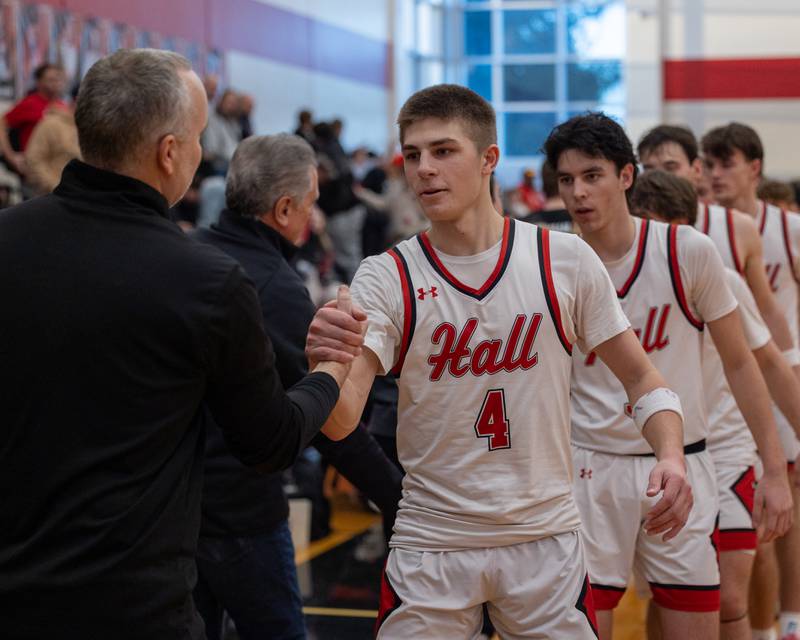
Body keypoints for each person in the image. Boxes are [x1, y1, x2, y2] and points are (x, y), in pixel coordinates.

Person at [0, 49, 365, 639]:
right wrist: (327, 373)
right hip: (136, 606)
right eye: (197, 138)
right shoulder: (204, 280)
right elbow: (268, 444)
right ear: (170, 153)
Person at [307, 84, 695, 638]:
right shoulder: (385, 274)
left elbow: (642, 377)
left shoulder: (563, 260)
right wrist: (328, 360)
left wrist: (672, 456)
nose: (424, 170)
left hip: (544, 539)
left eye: (443, 151)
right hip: (431, 540)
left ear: (489, 159)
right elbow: (343, 420)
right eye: (412, 155)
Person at [544, 113, 792, 640]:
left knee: (711, 613)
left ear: (626, 177)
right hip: (590, 469)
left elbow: (745, 362)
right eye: (567, 181)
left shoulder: (687, 251)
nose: (578, 193)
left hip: (685, 462)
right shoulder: (553, 262)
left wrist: (774, 469)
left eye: (593, 176)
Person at [190, 134, 403, 640]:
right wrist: (399, 500)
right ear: (285, 209)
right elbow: (330, 422)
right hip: (240, 512)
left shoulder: (189, 255)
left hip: (176, 510)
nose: (316, 217)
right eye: (311, 204)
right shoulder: (274, 287)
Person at [631, 170, 800, 639]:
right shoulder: (606, 276)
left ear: (682, 224)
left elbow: (768, 363)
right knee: (665, 600)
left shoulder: (717, 276)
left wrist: (784, 453)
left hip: (720, 451)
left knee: (726, 598)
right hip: (639, 457)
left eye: (651, 221)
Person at [701, 122, 800, 640]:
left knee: (782, 508)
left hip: (778, 372)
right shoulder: (696, 231)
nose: (716, 174)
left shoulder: (784, 229)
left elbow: (773, 317)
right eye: (709, 164)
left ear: (753, 168)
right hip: (722, 392)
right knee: (750, 533)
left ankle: (789, 617)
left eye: (726, 164)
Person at [637, 124, 796, 361]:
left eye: (671, 167)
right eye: (649, 168)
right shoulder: (635, 230)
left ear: (696, 169)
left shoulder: (737, 227)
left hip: (735, 376)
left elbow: (768, 309)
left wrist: (792, 369)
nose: (659, 176)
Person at [0, 62, 66, 174]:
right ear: (39, 82)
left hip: (56, 169)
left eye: (58, 79)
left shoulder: (63, 107)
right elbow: (2, 123)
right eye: (51, 80)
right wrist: (11, 156)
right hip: (34, 169)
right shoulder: (30, 103)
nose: (56, 83)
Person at [24, 101, 80, 195]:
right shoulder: (50, 124)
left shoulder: (91, 129)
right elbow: (34, 159)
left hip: (81, 196)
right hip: (52, 195)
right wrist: (55, 186)